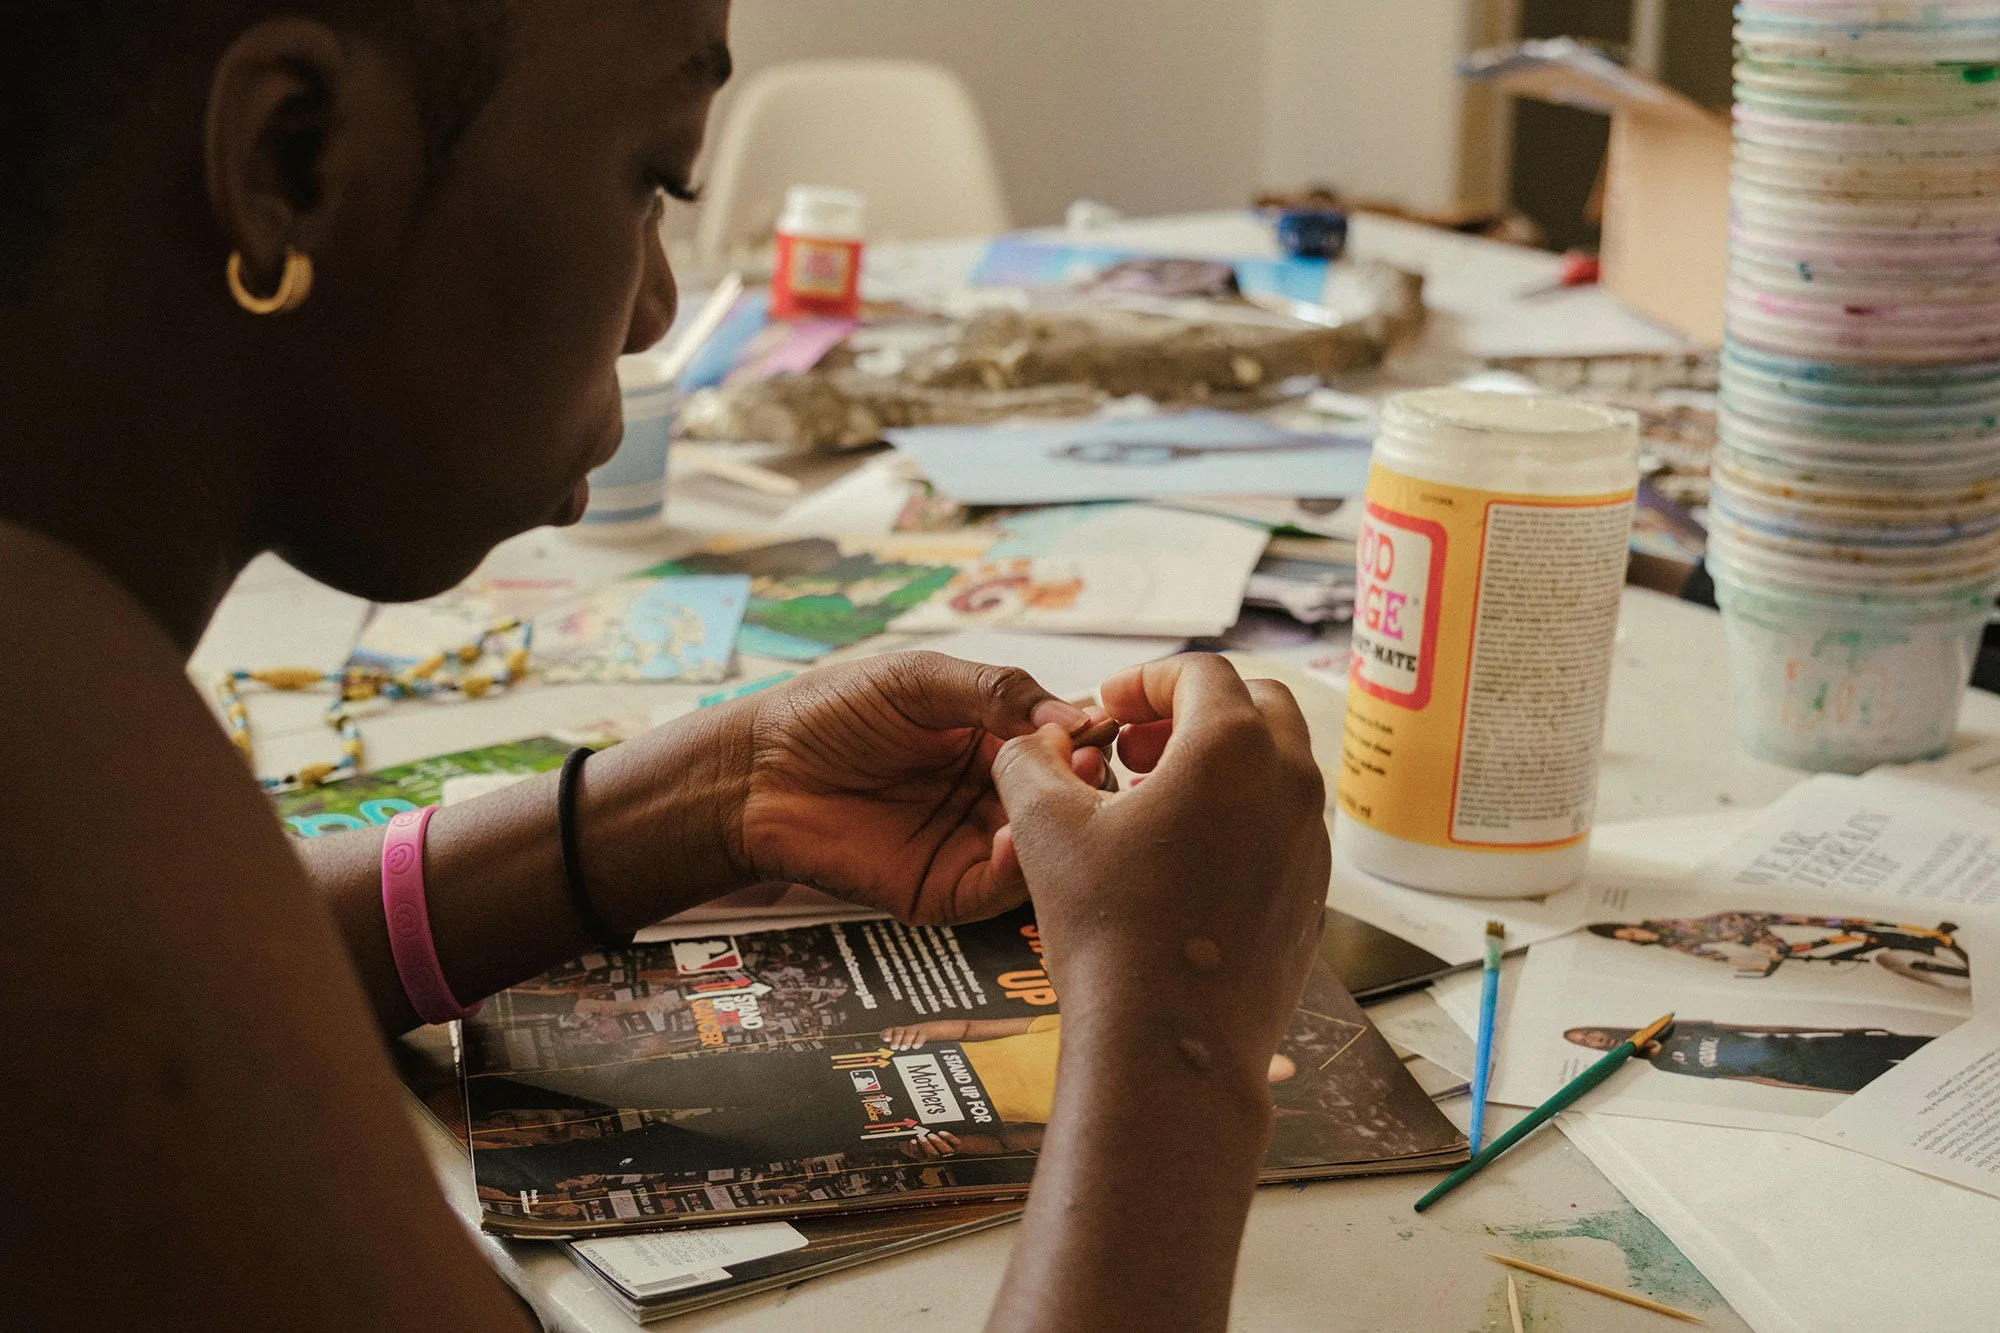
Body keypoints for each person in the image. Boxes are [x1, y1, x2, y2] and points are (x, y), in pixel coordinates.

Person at [0, 4, 1334, 1330]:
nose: (653, 309)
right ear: (295, 159)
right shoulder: (52, 781)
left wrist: (701, 797)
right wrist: (1185, 1029)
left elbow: (228, 944)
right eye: (655, 181)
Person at [1565, 1022, 1932, 1094]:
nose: (1596, 1040)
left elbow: (1751, 1025)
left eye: (1591, 1033)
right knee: (1910, 1089)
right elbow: (1741, 1078)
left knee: (1923, 1050)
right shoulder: (1666, 1065)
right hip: (1808, 1072)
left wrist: (1834, 1028)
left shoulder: (1677, 1028)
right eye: (1590, 1043)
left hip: (1818, 1047)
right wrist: (1823, 1090)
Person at [1588, 912, 1968, 981]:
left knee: (1832, 926)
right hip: (1748, 939)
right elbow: (1711, 953)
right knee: (1823, 951)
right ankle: (1914, 944)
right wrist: (1754, 965)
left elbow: (1715, 933)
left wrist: (1760, 945)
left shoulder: (1670, 928)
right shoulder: (1672, 946)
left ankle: (1927, 934)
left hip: (1747, 924)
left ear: (1632, 926)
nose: (1637, 937)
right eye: (1630, 941)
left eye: (1630, 932)